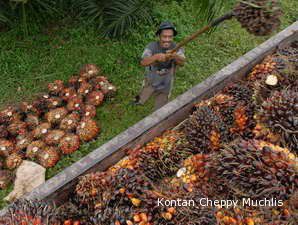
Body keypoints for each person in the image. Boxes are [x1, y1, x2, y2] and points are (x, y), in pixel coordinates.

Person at [133, 21, 186, 111]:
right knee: (146, 91)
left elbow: (182, 62)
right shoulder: (152, 46)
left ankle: (158, 112)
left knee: (161, 101)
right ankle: (139, 101)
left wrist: (174, 55)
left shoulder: (176, 47)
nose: (167, 39)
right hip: (151, 78)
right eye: (164, 36)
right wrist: (156, 57)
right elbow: (143, 62)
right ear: (159, 36)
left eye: (170, 37)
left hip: (167, 80)